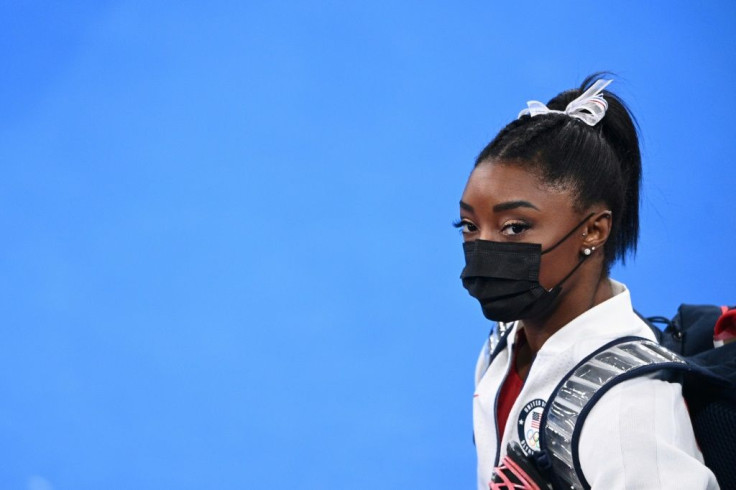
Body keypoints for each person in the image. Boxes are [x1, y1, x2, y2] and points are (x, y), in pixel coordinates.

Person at [456, 75, 719, 489]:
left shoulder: (629, 409)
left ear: (593, 231)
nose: (482, 247)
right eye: (469, 226)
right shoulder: (504, 346)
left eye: (514, 228)